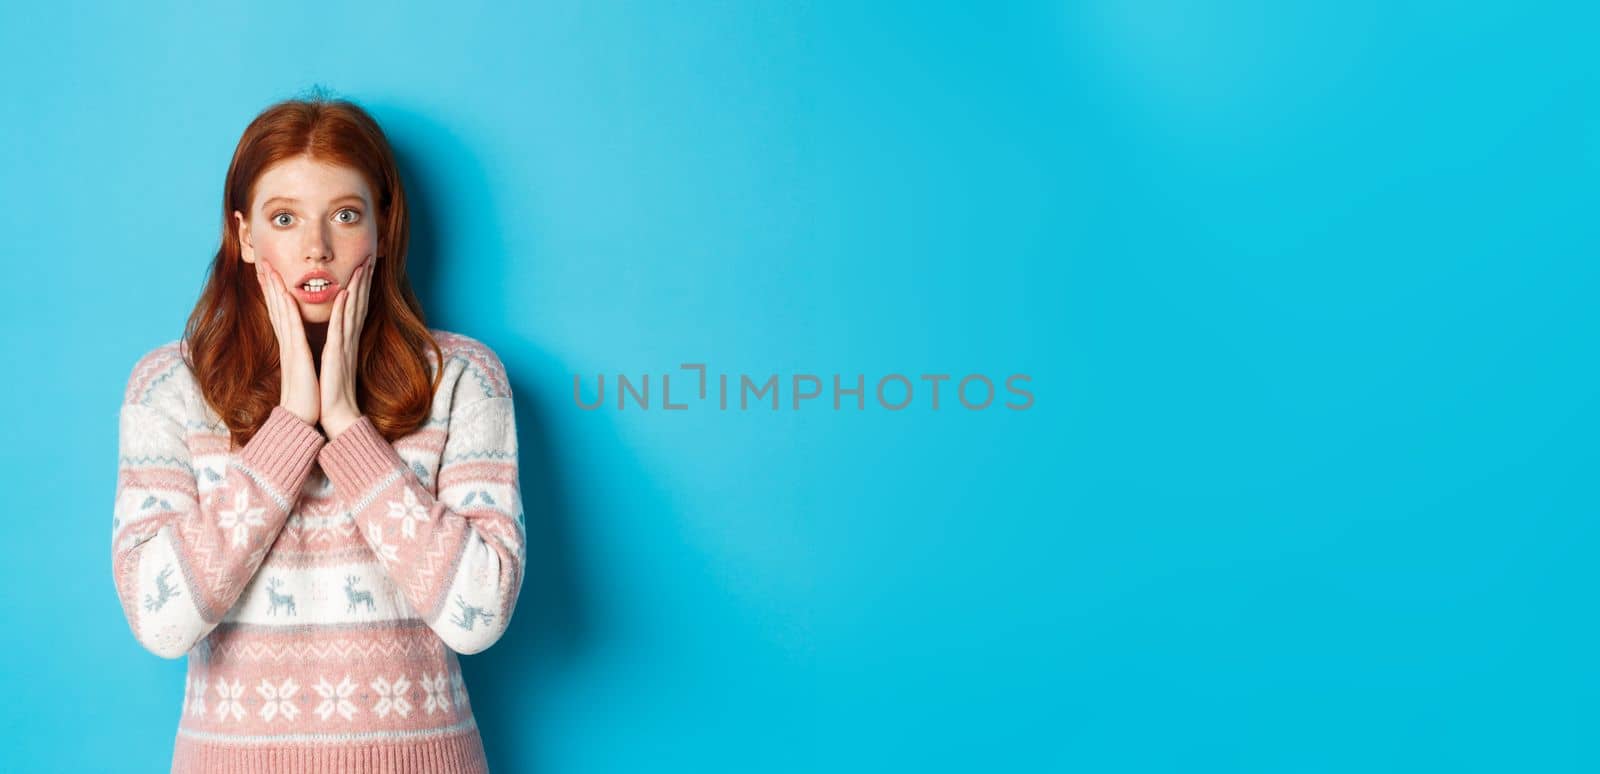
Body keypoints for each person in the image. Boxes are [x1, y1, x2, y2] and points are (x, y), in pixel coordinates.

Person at [110, 92, 524, 773]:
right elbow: (162, 623)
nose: (317, 248)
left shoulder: (463, 379)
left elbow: (476, 619)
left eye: (344, 214)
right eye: (284, 217)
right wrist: (290, 427)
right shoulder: (168, 389)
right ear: (244, 235)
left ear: (383, 229)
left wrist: (349, 428)